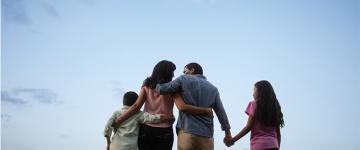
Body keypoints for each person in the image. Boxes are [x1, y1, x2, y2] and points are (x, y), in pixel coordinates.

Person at [112, 60, 212, 150]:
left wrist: (119, 120)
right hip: (164, 130)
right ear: (167, 73)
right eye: (172, 72)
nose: (173, 75)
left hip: (146, 129)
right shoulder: (173, 88)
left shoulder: (147, 85)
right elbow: (181, 106)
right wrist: (205, 110)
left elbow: (136, 106)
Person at [156, 62, 232, 150]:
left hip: (187, 132)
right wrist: (227, 133)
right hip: (207, 136)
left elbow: (162, 89)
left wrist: (155, 83)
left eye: (185, 71)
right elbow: (221, 112)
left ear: (192, 70)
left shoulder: (183, 79)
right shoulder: (213, 89)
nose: (183, 74)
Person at [103, 91, 175, 150]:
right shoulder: (138, 114)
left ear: (123, 102)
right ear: (137, 102)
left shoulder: (117, 113)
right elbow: (152, 118)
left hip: (115, 146)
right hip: (130, 147)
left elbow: (107, 128)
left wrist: (108, 143)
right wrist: (168, 119)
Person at [225, 80, 284, 150]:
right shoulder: (275, 108)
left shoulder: (254, 104)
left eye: (254, 90)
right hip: (273, 145)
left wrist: (233, 140)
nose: (253, 93)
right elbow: (278, 133)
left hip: (259, 146)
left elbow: (248, 127)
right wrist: (278, 146)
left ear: (260, 92)